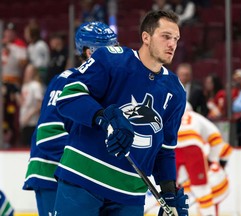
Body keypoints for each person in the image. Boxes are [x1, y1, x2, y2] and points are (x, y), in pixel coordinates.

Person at [54, 10, 189, 216]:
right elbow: (69, 97)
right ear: (146, 37)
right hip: (82, 179)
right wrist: (104, 117)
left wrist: (169, 193)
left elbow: (165, 148)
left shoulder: (175, 91)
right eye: (166, 37)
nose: (172, 44)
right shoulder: (111, 59)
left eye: (176, 39)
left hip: (130, 195)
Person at [22, 22, 118, 216]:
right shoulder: (67, 80)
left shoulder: (106, 84)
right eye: (108, 49)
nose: (115, 54)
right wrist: (86, 165)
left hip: (80, 179)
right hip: (51, 174)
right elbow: (48, 135)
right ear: (89, 52)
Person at [176, 102, 232, 216]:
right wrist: (211, 160)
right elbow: (216, 138)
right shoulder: (196, 117)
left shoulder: (171, 116)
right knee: (201, 190)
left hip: (173, 149)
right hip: (193, 148)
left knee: (170, 189)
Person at [19, 64, 44, 147]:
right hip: (24, 122)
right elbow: (23, 103)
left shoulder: (35, 85)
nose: (27, 73)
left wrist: (28, 116)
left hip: (32, 122)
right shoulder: (25, 86)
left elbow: (39, 104)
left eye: (29, 71)